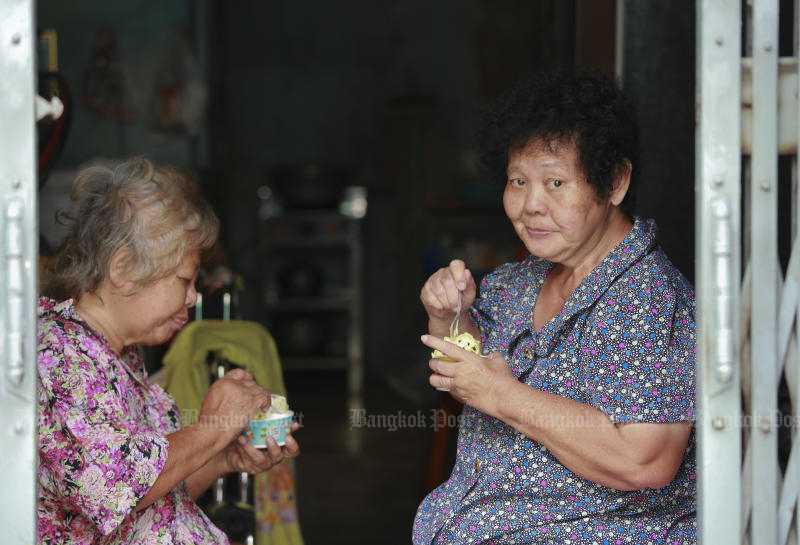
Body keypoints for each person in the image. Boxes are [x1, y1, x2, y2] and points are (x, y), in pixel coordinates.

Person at [414, 70, 696, 544]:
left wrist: (503, 395)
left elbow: (644, 461)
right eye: (518, 181)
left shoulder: (646, 299)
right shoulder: (519, 282)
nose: (531, 205)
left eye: (556, 182)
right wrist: (448, 316)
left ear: (614, 182)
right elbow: (470, 377)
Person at [37, 157, 300, 544]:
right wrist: (214, 426)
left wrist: (222, 458)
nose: (192, 297)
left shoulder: (117, 356)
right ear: (124, 269)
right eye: (184, 280)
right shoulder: (61, 354)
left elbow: (150, 507)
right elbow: (119, 488)